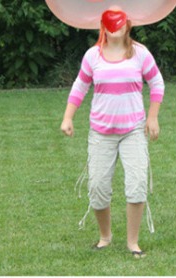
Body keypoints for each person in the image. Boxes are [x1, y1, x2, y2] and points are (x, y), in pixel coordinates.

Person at [61, 9, 165, 258]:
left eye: (120, 20)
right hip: (101, 133)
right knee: (97, 187)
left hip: (133, 131)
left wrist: (152, 117)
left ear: (128, 24)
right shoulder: (92, 55)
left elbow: (157, 82)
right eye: (110, 20)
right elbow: (80, 86)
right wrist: (68, 117)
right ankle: (105, 237)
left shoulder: (140, 53)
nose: (115, 25)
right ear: (103, 25)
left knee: (137, 185)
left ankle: (132, 242)